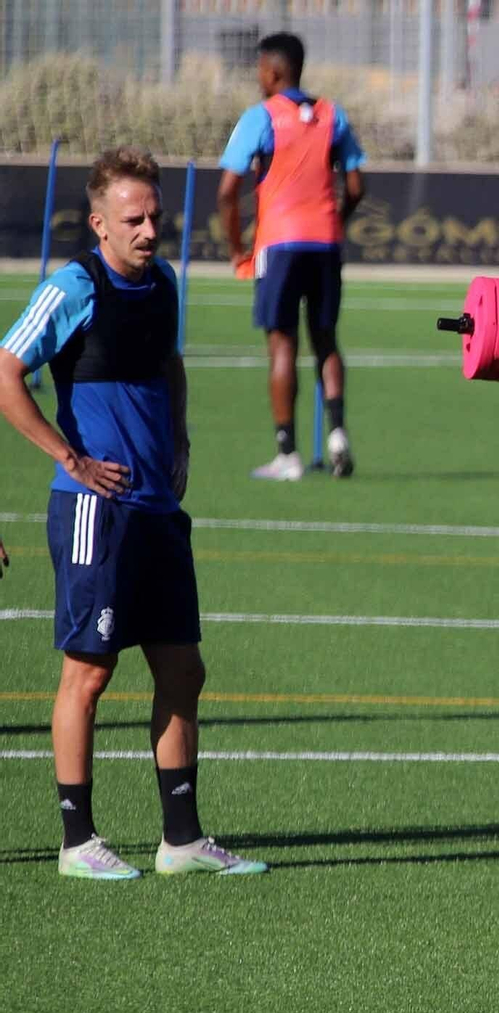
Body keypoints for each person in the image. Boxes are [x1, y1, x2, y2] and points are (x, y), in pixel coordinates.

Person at [0, 147, 266, 879]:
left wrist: (179, 436)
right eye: (134, 219)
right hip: (96, 512)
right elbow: (5, 371)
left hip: (156, 511)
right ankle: (77, 839)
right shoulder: (72, 288)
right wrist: (69, 458)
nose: (150, 230)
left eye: (155, 216)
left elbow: (169, 364)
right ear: (99, 224)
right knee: (88, 672)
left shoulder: (166, 284)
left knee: (183, 669)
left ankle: (181, 839)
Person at [218, 31, 366, 481]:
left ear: (274, 70)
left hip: (278, 244)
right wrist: (335, 219)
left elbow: (228, 190)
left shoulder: (259, 117)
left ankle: (288, 455)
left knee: (282, 343)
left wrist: (238, 249)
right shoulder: (332, 115)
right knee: (326, 339)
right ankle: (338, 434)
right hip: (325, 243)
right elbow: (356, 186)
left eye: (260, 69)